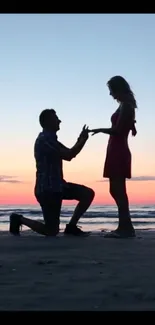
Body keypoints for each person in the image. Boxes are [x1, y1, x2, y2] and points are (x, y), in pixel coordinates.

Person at [9, 109, 95, 237]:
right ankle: (18, 219)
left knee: (87, 194)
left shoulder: (52, 140)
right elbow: (69, 154)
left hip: (59, 186)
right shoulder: (45, 140)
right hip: (47, 190)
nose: (59, 121)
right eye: (56, 118)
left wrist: (81, 139)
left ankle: (71, 227)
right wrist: (82, 140)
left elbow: (70, 154)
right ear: (47, 121)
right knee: (51, 230)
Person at [89, 76, 137, 238]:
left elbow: (117, 130)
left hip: (118, 149)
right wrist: (132, 126)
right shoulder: (126, 106)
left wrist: (100, 129)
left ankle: (126, 227)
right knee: (116, 190)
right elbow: (128, 125)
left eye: (111, 91)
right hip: (115, 148)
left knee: (118, 190)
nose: (111, 95)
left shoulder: (126, 106)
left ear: (118, 89)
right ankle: (125, 226)